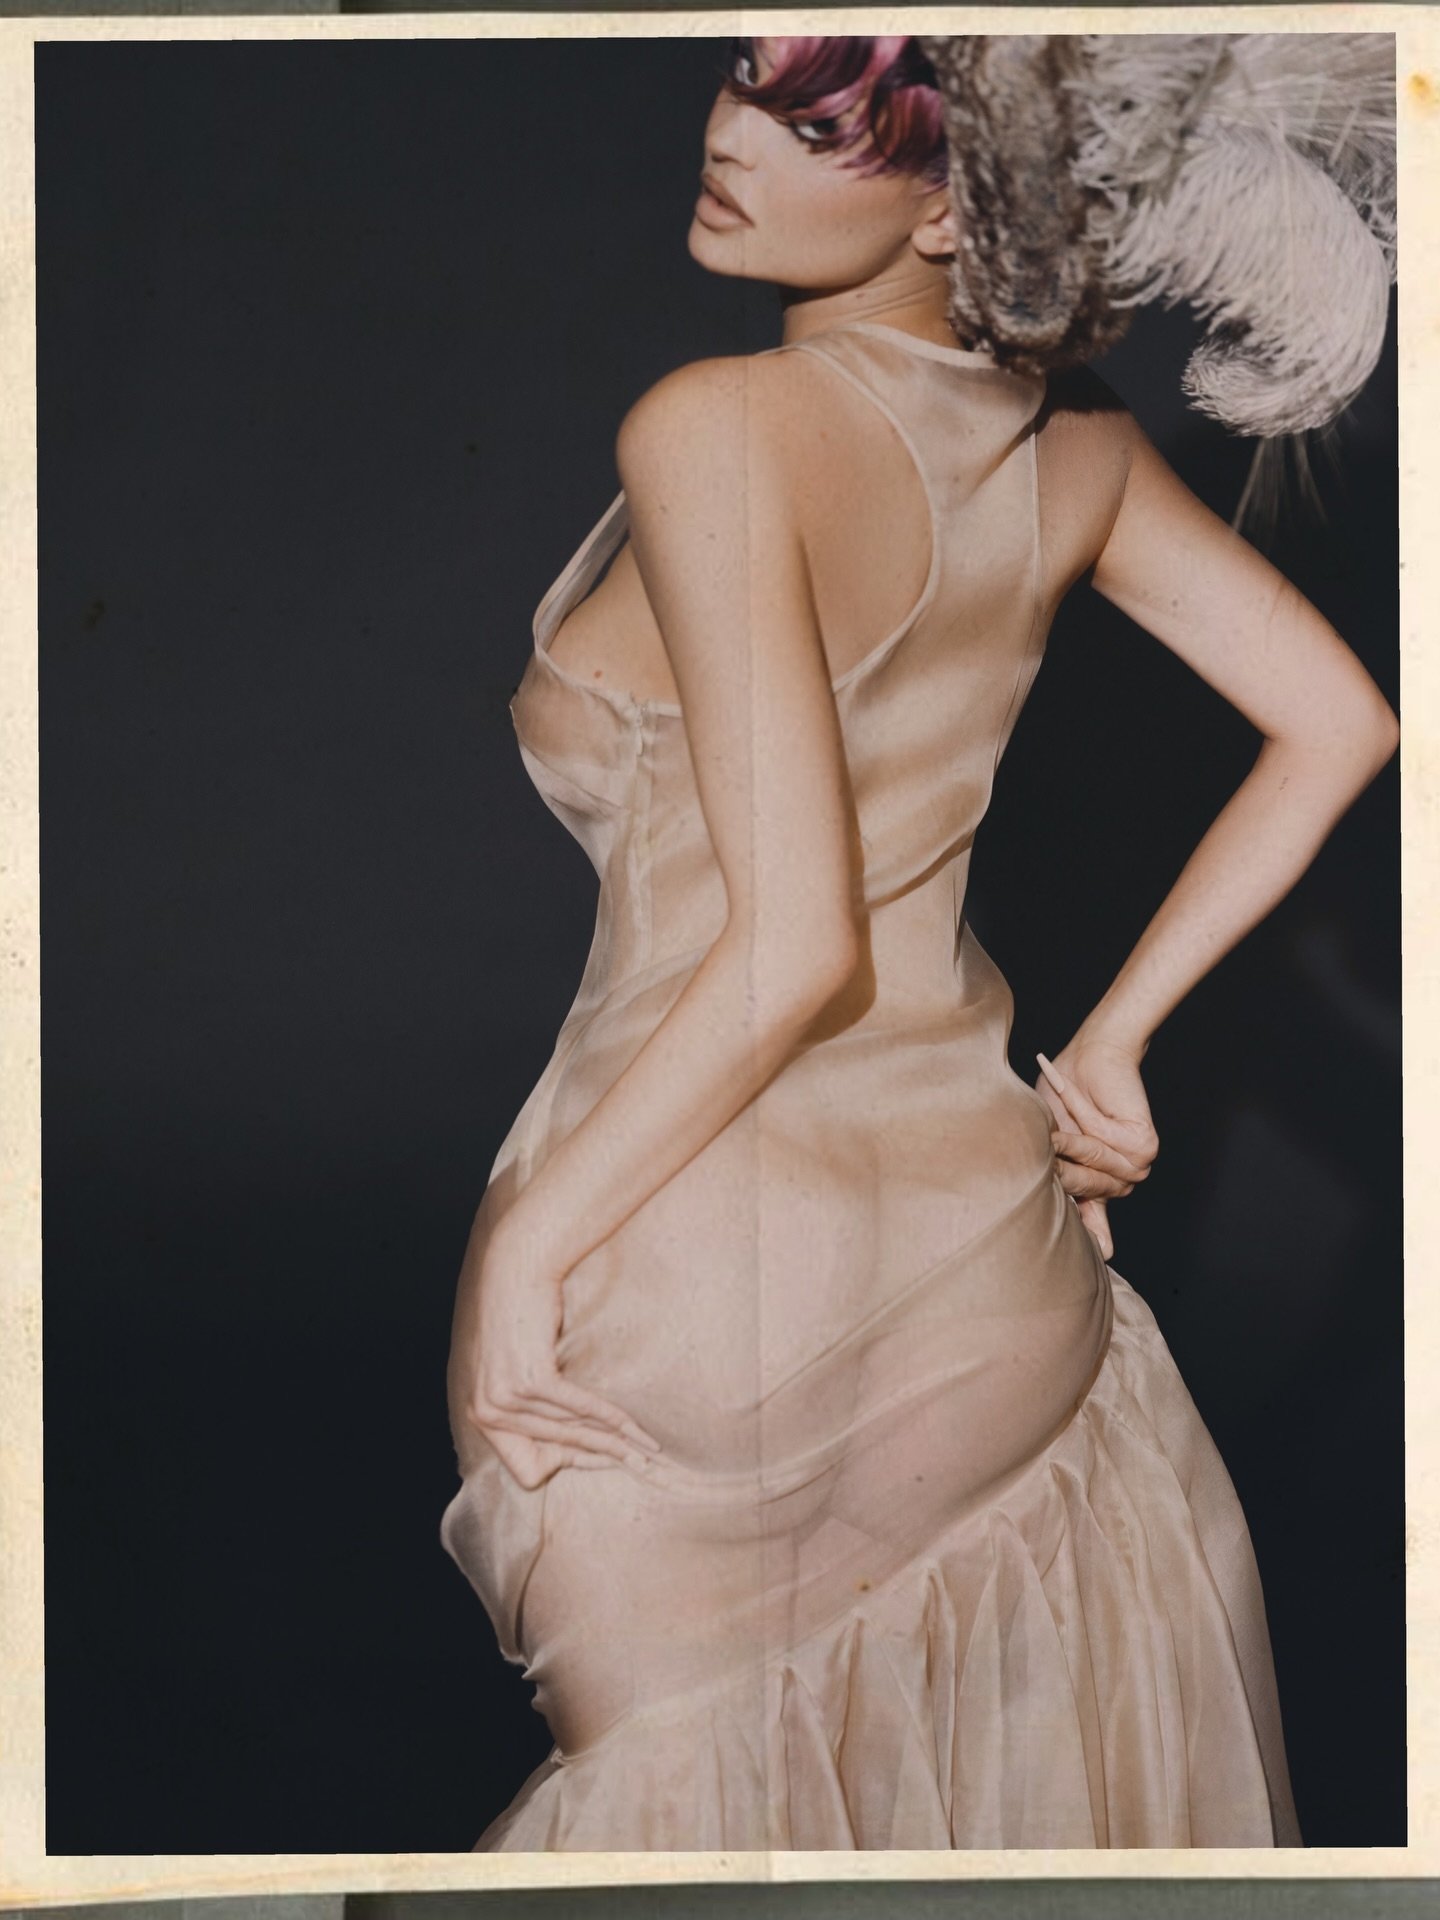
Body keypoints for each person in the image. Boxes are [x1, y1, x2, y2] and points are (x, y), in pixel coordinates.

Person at [439, 34, 1398, 1849]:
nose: (731, 134)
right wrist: (1111, 1043)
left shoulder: (715, 427)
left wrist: (528, 1248)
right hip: (992, 1272)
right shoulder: (1080, 449)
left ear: (956, 208)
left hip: (696, 1272)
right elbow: (1345, 722)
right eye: (743, 73)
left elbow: (796, 939)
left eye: (815, 120)